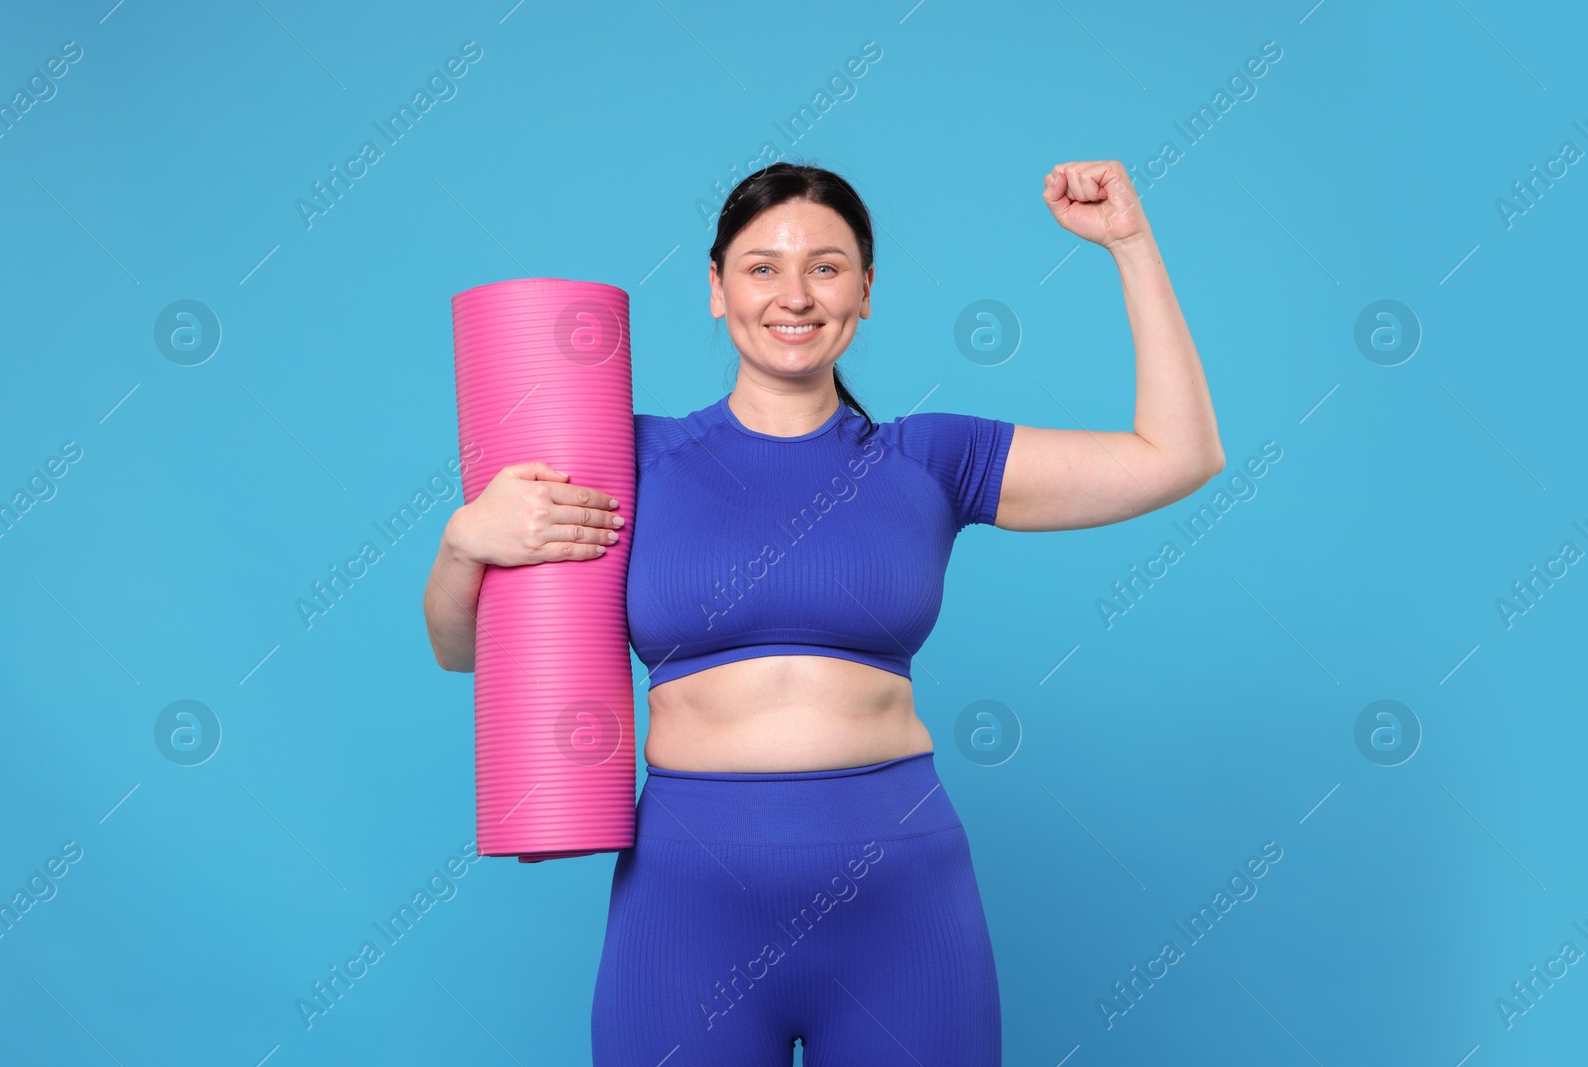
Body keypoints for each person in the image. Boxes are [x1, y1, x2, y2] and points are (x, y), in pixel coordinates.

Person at [423, 161, 1223, 1065]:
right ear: (716, 289)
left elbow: (1178, 455)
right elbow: (465, 651)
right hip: (688, 902)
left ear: (867, 291)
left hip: (904, 901)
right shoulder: (628, 459)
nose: (794, 295)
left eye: (827, 267)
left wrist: (1130, 244)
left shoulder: (930, 458)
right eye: (762, 267)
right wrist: (466, 542)